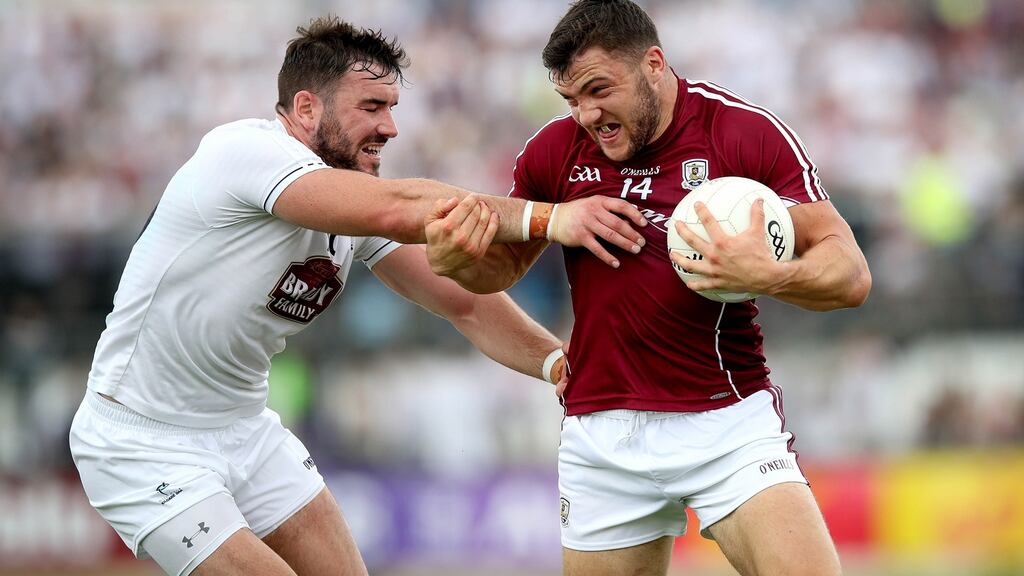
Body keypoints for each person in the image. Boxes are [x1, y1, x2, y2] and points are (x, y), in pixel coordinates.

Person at [67, 16, 649, 576]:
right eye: (371, 107)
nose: (390, 127)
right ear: (305, 109)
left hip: (245, 427)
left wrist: (558, 363)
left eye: (392, 108)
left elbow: (464, 302)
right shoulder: (242, 152)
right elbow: (398, 207)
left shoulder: (351, 199)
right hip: (140, 439)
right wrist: (551, 219)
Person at [425, 1, 872, 575]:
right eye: (571, 100)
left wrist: (772, 275)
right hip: (601, 433)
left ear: (653, 64)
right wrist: (456, 262)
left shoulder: (739, 133)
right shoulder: (555, 152)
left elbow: (850, 272)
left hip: (726, 423)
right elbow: (499, 271)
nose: (586, 114)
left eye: (598, 90)